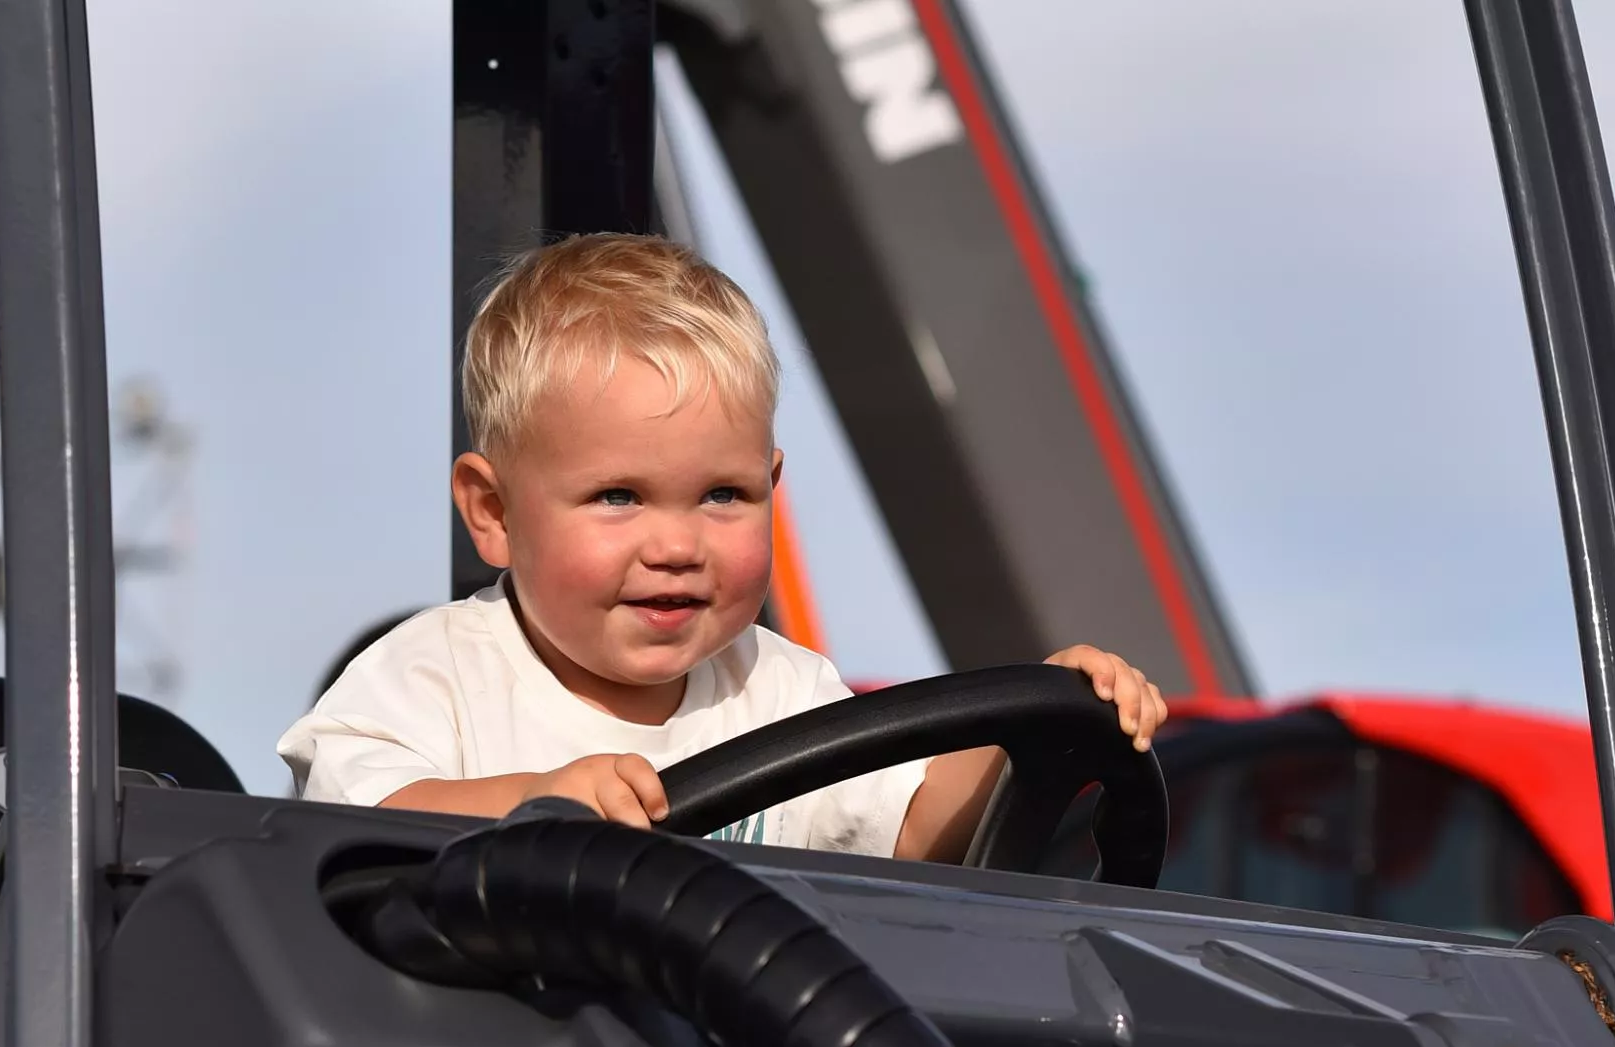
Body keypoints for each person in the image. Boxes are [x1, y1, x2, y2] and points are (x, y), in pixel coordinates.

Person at [277, 234, 1166, 862]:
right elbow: (350, 832)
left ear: (772, 485)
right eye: (619, 497)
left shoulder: (782, 693)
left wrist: (1038, 724)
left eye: (722, 496)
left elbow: (912, 830)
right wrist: (531, 807)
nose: (677, 544)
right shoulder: (430, 677)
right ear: (495, 511)